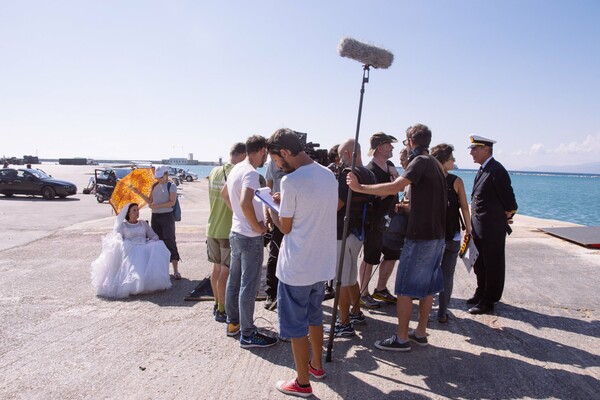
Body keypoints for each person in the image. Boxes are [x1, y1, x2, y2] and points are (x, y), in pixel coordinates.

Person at [347, 123, 446, 352]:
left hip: (420, 237)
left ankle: (401, 338)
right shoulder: (434, 164)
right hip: (436, 236)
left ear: (411, 141)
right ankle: (420, 332)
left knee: (404, 289)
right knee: (427, 287)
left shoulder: (419, 162)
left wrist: (360, 187)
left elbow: (394, 187)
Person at [266, 128, 337, 398]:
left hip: (297, 266)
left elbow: (285, 227)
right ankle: (316, 366)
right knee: (315, 317)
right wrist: (285, 203)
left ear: (285, 152)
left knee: (296, 327)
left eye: (275, 159)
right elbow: (314, 207)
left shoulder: (291, 181)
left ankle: (303, 383)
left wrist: (272, 208)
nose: (276, 164)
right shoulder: (328, 174)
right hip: (321, 264)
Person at [220, 135, 277, 348]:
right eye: (267, 154)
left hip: (235, 232)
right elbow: (245, 201)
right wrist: (257, 226)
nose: (268, 159)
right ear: (262, 150)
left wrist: (240, 217)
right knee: (248, 284)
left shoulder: (236, 168)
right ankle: (248, 333)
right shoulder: (251, 173)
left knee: (235, 280)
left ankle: (233, 323)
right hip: (249, 237)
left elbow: (224, 194)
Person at [467, 135, 518, 315]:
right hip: (480, 226)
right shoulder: (484, 169)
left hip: (491, 227)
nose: (471, 152)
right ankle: (481, 292)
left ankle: (489, 300)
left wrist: (509, 211)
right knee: (480, 262)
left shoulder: (496, 170)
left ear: (486, 149)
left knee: (493, 263)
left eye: (475, 149)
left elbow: (509, 198)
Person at [330, 139, 376, 337]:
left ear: (348, 154)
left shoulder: (347, 176)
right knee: (350, 277)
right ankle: (356, 312)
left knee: (339, 279)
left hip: (342, 232)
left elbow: (337, 205)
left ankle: (344, 323)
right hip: (359, 233)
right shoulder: (370, 174)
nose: (339, 161)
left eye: (341, 156)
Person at [91, 202, 172, 298]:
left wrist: (152, 241)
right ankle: (132, 284)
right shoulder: (123, 226)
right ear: (128, 213)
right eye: (134, 210)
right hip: (130, 248)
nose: (137, 212)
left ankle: (148, 282)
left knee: (159, 245)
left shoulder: (143, 223)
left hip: (143, 246)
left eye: (138, 210)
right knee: (135, 254)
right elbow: (117, 238)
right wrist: (123, 243)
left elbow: (153, 235)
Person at [430, 143, 472, 323]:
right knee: (447, 274)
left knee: (430, 272)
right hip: (453, 235)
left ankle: (426, 312)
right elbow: (464, 207)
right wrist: (469, 229)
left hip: (432, 235)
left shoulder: (429, 179)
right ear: (444, 161)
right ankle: (442, 312)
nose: (454, 162)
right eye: (451, 159)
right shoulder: (456, 181)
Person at [359, 132, 401, 309]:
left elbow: (397, 190)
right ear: (379, 148)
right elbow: (371, 196)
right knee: (370, 257)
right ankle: (363, 293)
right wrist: (392, 187)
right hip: (374, 221)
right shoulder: (370, 170)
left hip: (392, 220)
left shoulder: (390, 165)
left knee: (392, 254)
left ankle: (381, 289)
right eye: (389, 144)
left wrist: (395, 181)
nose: (392, 147)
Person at [206, 142, 246, 321]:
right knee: (225, 271)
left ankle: (216, 303)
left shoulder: (215, 171)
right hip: (226, 228)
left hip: (212, 227)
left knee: (215, 269)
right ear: (242, 155)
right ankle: (223, 310)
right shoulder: (235, 172)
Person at [134, 165, 181, 279]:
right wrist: (139, 192)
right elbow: (150, 201)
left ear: (166, 174)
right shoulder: (155, 185)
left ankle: (175, 271)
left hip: (167, 216)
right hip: (155, 216)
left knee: (170, 241)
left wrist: (157, 206)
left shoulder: (171, 185)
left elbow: (172, 202)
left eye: (160, 177)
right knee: (156, 241)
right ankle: (160, 269)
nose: (158, 179)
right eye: (157, 177)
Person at [263, 155, 286, 311]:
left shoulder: (295, 162)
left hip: (295, 215)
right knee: (274, 255)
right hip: (277, 213)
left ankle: (289, 293)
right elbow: (268, 190)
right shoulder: (272, 164)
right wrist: (267, 213)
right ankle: (271, 293)